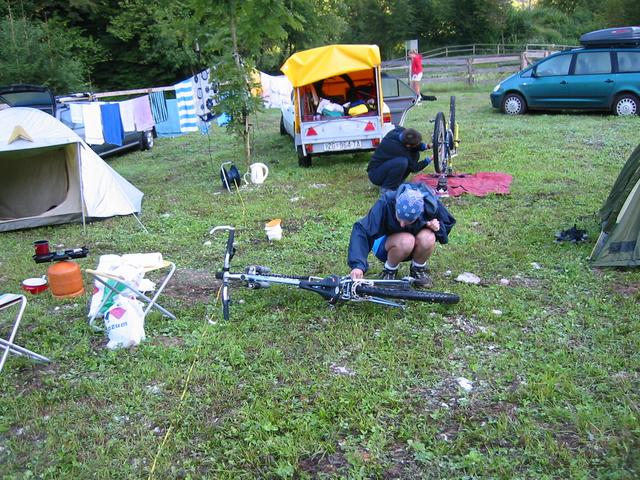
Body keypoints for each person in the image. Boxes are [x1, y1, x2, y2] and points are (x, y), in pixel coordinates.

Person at [348, 183, 455, 288]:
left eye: (408, 221)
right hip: (386, 245)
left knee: (428, 236)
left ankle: (418, 270)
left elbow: (447, 223)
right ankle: (389, 271)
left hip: (414, 246)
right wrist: (358, 266)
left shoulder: (429, 204)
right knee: (406, 240)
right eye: (399, 217)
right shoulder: (387, 202)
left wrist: (436, 227)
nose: (402, 224)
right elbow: (362, 230)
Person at [367, 126, 431, 193]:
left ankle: (397, 182)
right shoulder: (399, 150)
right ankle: (387, 188)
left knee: (414, 154)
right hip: (375, 174)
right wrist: (429, 159)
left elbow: (414, 146)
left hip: (385, 165)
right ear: (408, 145)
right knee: (402, 162)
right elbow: (414, 168)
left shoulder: (400, 131)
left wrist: (427, 146)